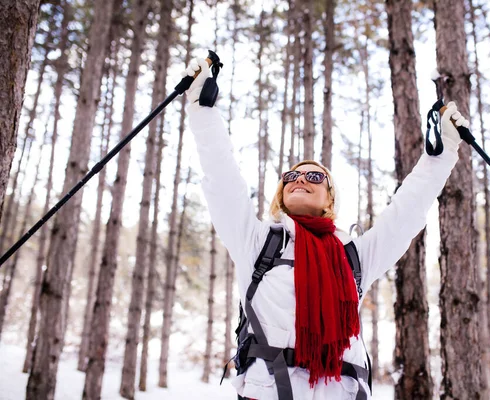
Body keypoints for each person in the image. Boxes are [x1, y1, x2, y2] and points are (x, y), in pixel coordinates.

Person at [184, 57, 468, 400]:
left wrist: (442, 153)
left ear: (328, 197)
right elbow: (222, 178)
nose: (300, 179)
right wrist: (203, 110)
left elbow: (406, 213)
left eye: (314, 176)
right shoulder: (257, 243)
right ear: (282, 193)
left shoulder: (353, 255)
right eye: (292, 176)